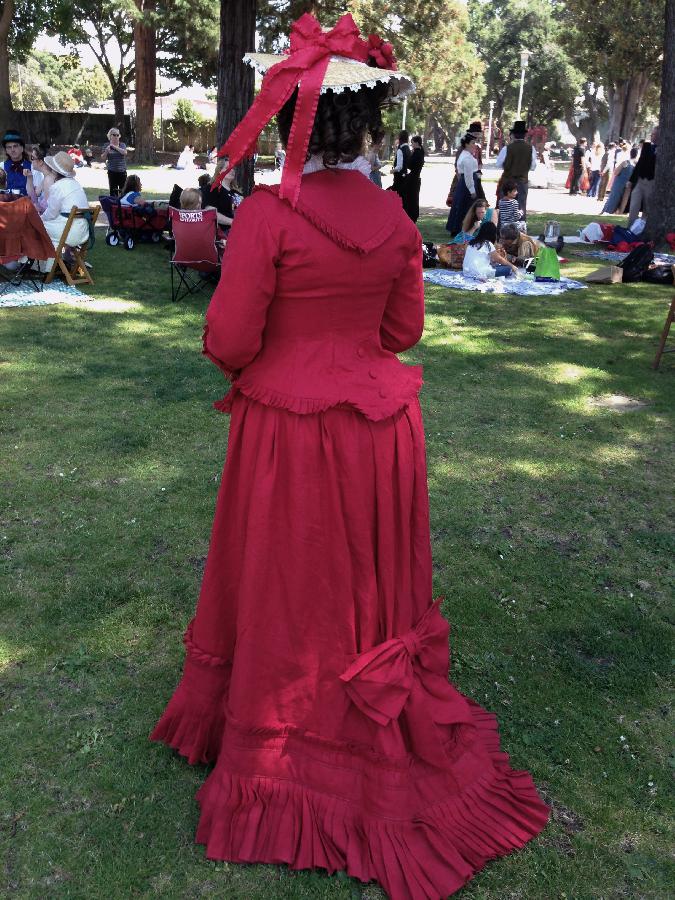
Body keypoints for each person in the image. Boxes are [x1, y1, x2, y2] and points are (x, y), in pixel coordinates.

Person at [150, 13, 548, 900]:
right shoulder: (396, 220)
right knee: (362, 580)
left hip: (291, 431)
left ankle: (284, 735)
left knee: (294, 578)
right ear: (369, 128)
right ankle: (359, 698)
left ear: (296, 117)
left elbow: (228, 338)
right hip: (378, 432)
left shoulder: (267, 214)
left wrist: (278, 354)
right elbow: (402, 329)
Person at [40, 151, 90, 264]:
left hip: (70, 232)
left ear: (54, 170)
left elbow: (51, 213)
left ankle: (46, 265)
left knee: (36, 226)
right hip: (83, 231)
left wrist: (40, 218)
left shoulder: (58, 187)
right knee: (43, 224)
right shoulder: (76, 184)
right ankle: (56, 262)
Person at [495, 121, 536, 218]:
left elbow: (498, 164)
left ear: (513, 135)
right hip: (522, 182)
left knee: (506, 210)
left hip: (508, 182)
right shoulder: (531, 149)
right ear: (525, 135)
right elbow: (533, 166)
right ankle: (519, 231)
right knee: (520, 208)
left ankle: (503, 231)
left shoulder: (507, 148)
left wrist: (508, 167)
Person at [445, 133, 478, 235]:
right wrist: (472, 190)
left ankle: (457, 228)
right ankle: (461, 229)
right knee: (464, 207)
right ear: (467, 144)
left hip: (463, 183)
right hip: (466, 185)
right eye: (472, 143)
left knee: (460, 206)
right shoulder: (467, 157)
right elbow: (468, 176)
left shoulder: (464, 154)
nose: (474, 145)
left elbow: (460, 173)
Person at [628, 127, 658, 228]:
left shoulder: (664, 148)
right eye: (652, 134)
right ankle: (630, 228)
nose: (652, 136)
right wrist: (631, 180)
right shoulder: (646, 146)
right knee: (634, 206)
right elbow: (640, 163)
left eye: (654, 134)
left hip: (651, 182)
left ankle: (643, 228)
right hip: (640, 180)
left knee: (647, 208)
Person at [602, 146, 636, 214]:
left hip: (620, 182)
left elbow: (616, 172)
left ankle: (607, 210)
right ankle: (620, 212)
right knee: (625, 199)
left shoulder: (625, 162)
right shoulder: (636, 164)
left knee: (614, 197)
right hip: (629, 183)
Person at [28, 144, 56, 214]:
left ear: (40, 162)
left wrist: (34, 207)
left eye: (32, 158)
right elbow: (33, 197)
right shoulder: (46, 177)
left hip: (53, 221)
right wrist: (29, 178)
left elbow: (48, 209)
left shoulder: (49, 179)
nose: (31, 160)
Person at [2, 130, 32, 196]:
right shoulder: (1, 167)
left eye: (15, 146)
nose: (12, 150)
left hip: (27, 205)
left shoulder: (33, 168)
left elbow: (37, 194)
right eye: (9, 147)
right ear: (6, 151)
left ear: (22, 148)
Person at [402, 134, 424, 222]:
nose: (412, 144)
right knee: (413, 197)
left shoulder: (417, 153)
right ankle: (412, 215)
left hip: (413, 178)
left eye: (413, 143)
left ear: (417, 143)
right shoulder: (419, 152)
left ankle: (412, 215)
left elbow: (410, 165)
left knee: (411, 198)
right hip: (415, 177)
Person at [101, 128, 128, 196]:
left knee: (123, 192)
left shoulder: (122, 145)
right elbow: (103, 157)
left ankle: (123, 205)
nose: (116, 137)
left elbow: (124, 153)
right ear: (110, 136)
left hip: (122, 172)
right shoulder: (106, 145)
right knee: (113, 192)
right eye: (114, 135)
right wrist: (106, 151)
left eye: (117, 135)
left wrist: (114, 147)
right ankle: (114, 206)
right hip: (112, 171)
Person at [392, 129, 411, 199]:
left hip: (399, 176)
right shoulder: (408, 149)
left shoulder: (400, 150)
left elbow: (399, 166)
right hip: (405, 174)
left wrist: (392, 170)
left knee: (397, 195)